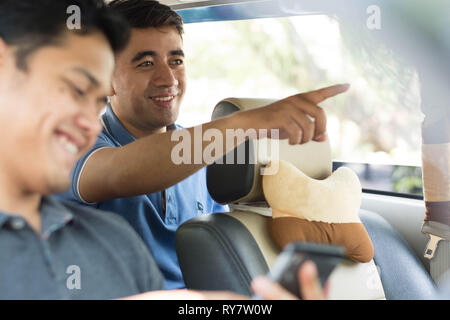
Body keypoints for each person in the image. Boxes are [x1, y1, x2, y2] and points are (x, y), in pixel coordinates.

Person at [0, 0, 340, 300]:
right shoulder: (78, 148)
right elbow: (121, 171)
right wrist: (245, 124)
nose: (168, 78)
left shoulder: (201, 161)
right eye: (145, 63)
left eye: (175, 60)